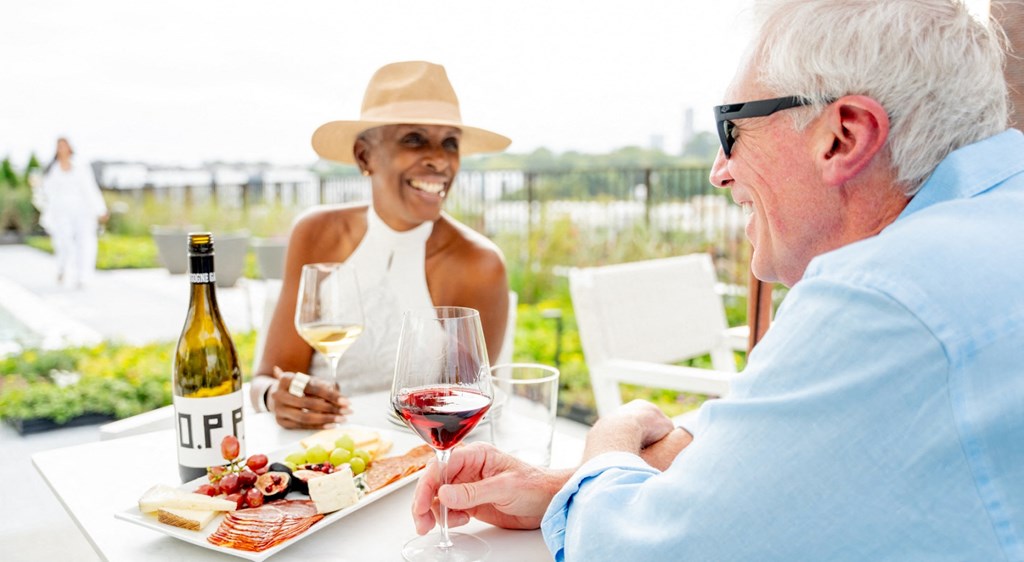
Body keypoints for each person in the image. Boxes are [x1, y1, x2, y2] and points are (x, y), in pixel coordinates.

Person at [410, 1, 1024, 559]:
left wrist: (610, 438)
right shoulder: (986, 224)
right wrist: (567, 488)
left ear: (844, 136)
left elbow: (635, 554)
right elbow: (788, 431)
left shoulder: (883, 296)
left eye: (731, 126)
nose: (718, 172)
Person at [251, 61, 512, 429]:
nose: (439, 159)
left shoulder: (479, 264)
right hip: (313, 451)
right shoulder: (315, 233)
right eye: (414, 139)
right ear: (364, 156)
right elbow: (267, 378)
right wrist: (275, 397)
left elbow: (465, 411)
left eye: (450, 142)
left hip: (416, 460)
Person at [33, 137, 108, 288]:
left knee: (85, 242)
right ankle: (63, 268)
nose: (61, 149)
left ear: (70, 148)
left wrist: (101, 209)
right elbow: (45, 192)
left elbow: (90, 189)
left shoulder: (80, 166)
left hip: (83, 211)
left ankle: (83, 276)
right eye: (59, 146)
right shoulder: (52, 169)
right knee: (63, 242)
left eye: (64, 145)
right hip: (61, 212)